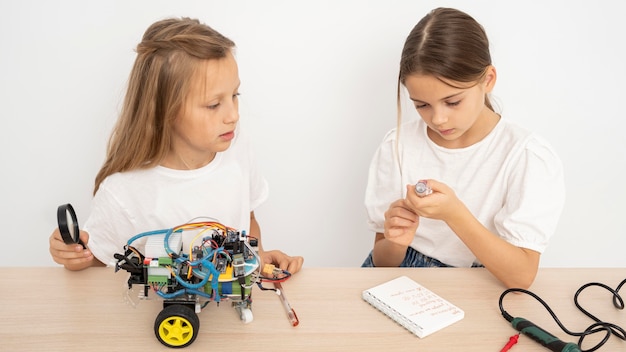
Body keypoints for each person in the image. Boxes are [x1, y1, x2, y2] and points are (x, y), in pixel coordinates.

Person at [49, 17, 303, 275]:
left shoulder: (238, 148)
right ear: (165, 111)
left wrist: (257, 259)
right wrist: (74, 254)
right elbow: (102, 258)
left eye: (235, 96)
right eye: (214, 104)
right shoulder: (123, 192)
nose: (233, 115)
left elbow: (247, 221)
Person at [361, 7, 565, 289]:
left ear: (488, 80)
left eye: (453, 102)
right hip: (404, 280)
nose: (438, 119)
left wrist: (454, 214)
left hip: (485, 281)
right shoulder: (397, 145)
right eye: (421, 105)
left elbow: (521, 276)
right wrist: (396, 241)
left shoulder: (526, 156)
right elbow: (382, 262)